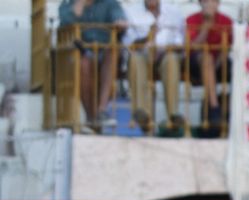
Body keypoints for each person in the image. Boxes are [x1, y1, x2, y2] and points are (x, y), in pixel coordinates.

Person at [57, 0, 127, 132]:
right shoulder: (67, 4)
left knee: (112, 53)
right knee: (83, 63)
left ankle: (101, 110)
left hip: (103, 51)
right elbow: (67, 21)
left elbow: (119, 17)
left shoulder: (109, 3)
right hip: (81, 53)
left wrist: (120, 22)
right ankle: (91, 117)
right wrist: (80, 3)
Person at [124, 0, 185, 134]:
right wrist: (149, 37)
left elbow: (181, 44)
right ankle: (142, 114)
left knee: (172, 60)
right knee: (135, 59)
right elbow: (129, 45)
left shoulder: (174, 12)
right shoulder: (131, 12)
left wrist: (165, 50)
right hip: (142, 55)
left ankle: (173, 115)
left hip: (166, 55)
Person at [185, 0, 233, 133]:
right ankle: (214, 107)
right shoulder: (192, 19)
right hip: (196, 63)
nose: (209, 4)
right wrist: (206, 27)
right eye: (205, 1)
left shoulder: (226, 20)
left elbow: (227, 48)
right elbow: (193, 47)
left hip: (219, 63)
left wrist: (216, 65)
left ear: (218, 4)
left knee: (239, 67)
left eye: (212, 1)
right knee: (206, 57)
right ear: (200, 3)